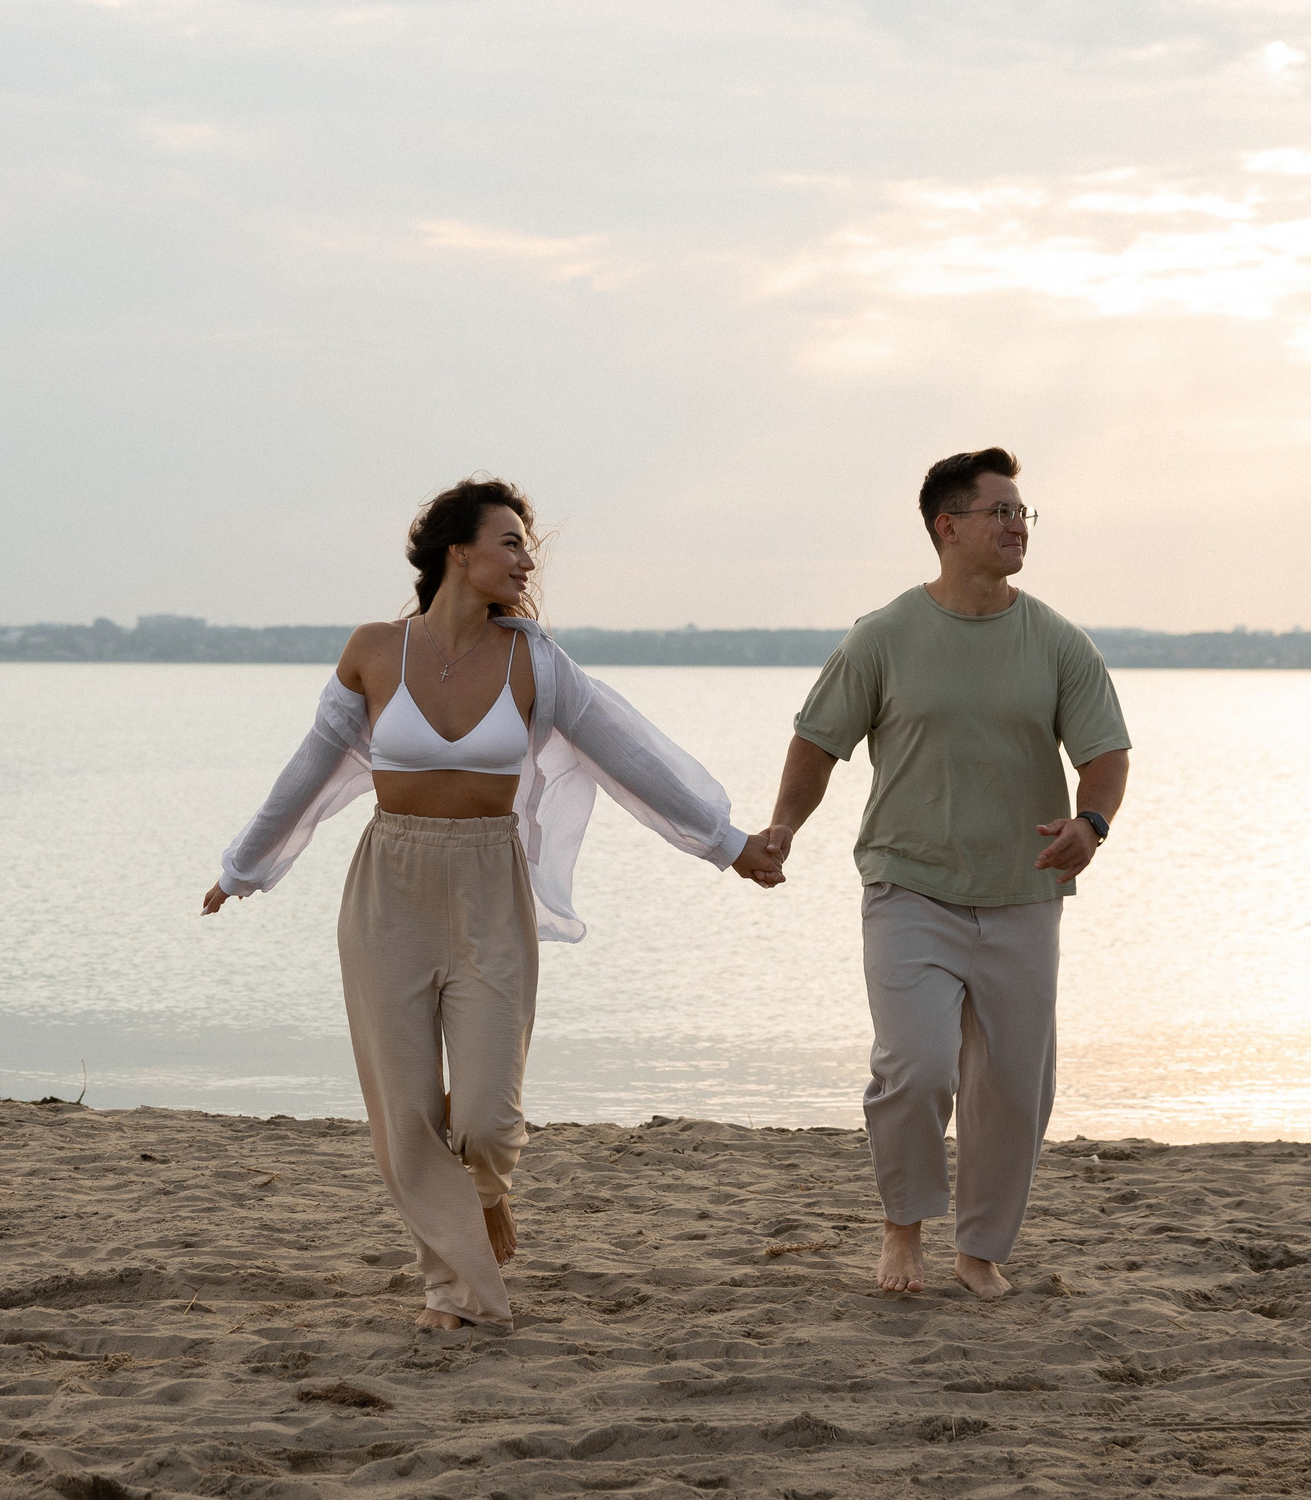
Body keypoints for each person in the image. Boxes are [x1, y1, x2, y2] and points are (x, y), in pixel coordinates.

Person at [203, 477, 785, 1332]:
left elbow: (628, 752)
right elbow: (308, 770)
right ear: (457, 552)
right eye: (509, 541)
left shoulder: (533, 660)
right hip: (389, 887)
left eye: (527, 544)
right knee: (406, 1109)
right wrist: (243, 865)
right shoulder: (372, 650)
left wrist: (728, 845)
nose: (526, 558)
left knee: (484, 1114)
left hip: (489, 885)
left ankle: (486, 1193)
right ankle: (454, 1292)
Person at [764, 447, 1130, 1300]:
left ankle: (980, 1248)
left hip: (1023, 893)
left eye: (1023, 512)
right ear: (948, 525)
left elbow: (1105, 754)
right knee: (917, 1065)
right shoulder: (885, 636)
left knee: (1012, 1085)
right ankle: (903, 1231)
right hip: (909, 885)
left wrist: (1092, 823)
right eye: (1000, 510)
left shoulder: (1056, 640)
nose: (1016, 525)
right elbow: (817, 743)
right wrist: (783, 827)